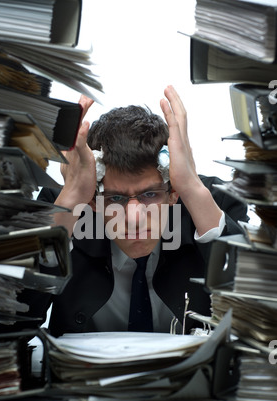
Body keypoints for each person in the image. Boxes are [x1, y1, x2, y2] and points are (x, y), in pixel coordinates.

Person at [15, 85, 248, 336]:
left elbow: (257, 310)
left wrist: (191, 188)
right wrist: (71, 201)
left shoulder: (212, 204)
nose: (134, 218)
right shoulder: (66, 209)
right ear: (92, 201)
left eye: (150, 194)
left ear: (173, 193)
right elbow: (11, 323)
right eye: (115, 198)